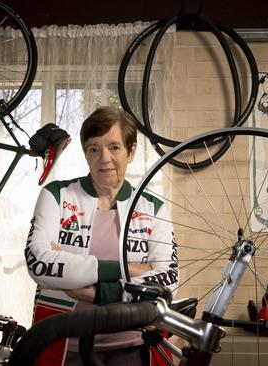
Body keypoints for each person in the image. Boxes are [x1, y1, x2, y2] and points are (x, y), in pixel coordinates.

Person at [25, 106, 178, 365]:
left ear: (131, 152)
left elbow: (168, 281)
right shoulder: (56, 195)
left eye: (114, 147)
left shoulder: (154, 208)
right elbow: (39, 263)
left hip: (134, 342)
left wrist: (96, 294)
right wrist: (130, 269)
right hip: (63, 341)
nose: (104, 158)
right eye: (94, 149)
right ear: (86, 155)